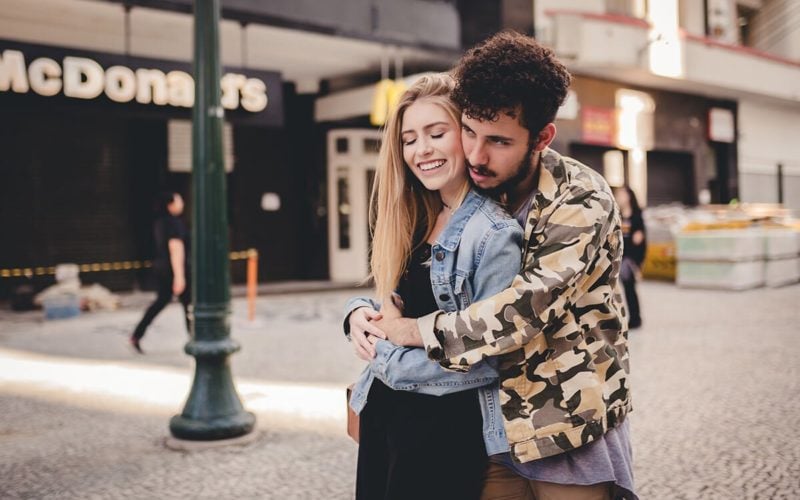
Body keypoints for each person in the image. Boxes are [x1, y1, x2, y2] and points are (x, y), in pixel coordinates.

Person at [350, 31, 636, 499]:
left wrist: (409, 333)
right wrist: (363, 311)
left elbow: (521, 311)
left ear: (542, 137)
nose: (478, 155)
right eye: (468, 132)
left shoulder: (580, 198)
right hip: (494, 423)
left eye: (498, 141)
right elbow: (428, 277)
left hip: (563, 418)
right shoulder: (478, 186)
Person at [344, 74, 523, 500]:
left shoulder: (494, 234)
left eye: (436, 133)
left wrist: (388, 360)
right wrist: (355, 314)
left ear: (465, 135)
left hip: (440, 433)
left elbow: (489, 357)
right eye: (409, 139)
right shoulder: (416, 215)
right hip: (383, 416)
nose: (421, 149)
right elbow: (396, 305)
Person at [129, 191, 191, 354]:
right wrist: (180, 276)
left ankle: (137, 334)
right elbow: (176, 249)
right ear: (170, 204)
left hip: (161, 268)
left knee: (161, 302)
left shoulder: (160, 222)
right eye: (179, 200)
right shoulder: (173, 223)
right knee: (189, 305)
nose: (182, 203)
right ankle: (195, 339)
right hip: (175, 270)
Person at [614, 186, 647, 329]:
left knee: (630, 288)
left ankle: (635, 318)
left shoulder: (636, 215)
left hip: (631, 258)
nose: (619, 197)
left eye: (622, 194)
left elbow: (638, 239)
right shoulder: (617, 215)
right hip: (619, 257)